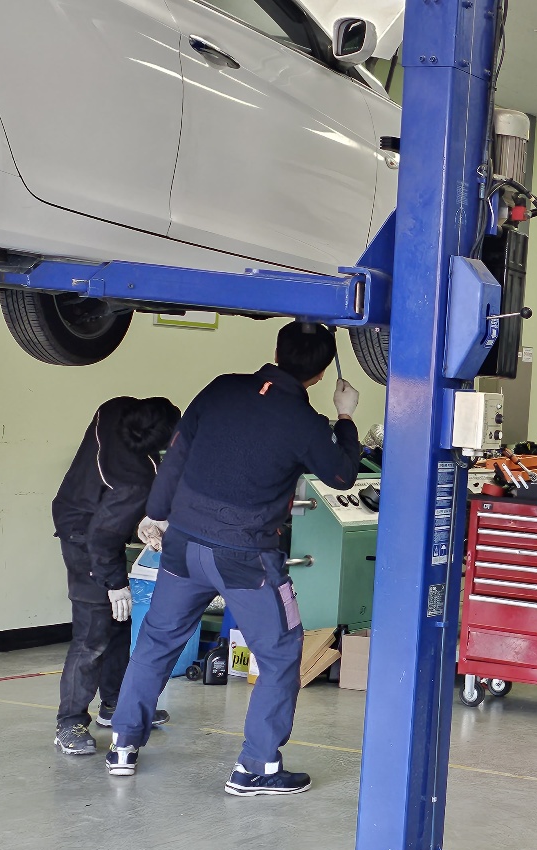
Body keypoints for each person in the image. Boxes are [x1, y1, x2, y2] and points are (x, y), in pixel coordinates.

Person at [105, 323, 362, 795]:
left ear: (276, 352)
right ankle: (257, 767)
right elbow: (343, 475)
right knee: (280, 655)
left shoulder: (222, 388)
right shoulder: (304, 422)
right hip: (247, 559)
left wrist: (157, 513)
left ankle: (123, 744)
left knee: (156, 641)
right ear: (322, 373)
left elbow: (177, 455)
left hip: (184, 545)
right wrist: (345, 416)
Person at [51, 396, 182, 755]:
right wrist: (115, 583)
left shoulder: (114, 410)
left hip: (90, 521)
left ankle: (114, 703)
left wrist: (140, 520)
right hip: (83, 537)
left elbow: (112, 508)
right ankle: (70, 722)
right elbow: (101, 536)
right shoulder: (134, 480)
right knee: (92, 633)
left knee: (119, 623)